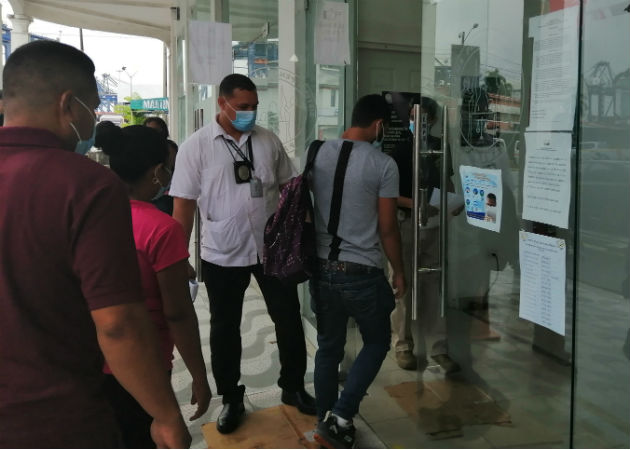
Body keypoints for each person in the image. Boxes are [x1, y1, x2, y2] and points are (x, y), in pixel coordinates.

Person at [0, 41, 190, 448]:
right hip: (57, 419)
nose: (94, 121)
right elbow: (118, 324)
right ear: (69, 104)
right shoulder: (84, 185)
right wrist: (166, 415)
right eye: (94, 105)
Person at [170, 73, 316, 434]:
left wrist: (297, 230)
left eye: (254, 107)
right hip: (221, 251)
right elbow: (184, 204)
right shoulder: (197, 146)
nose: (250, 113)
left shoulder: (267, 141)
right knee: (224, 327)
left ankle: (293, 387)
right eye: (243, 107)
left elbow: (289, 185)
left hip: (271, 249)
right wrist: (178, 257)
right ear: (222, 103)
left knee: (288, 317)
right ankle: (232, 399)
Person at [96, 123, 212, 447]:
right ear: (158, 172)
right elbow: (178, 315)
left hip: (90, 360)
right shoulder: (161, 230)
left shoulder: (89, 215)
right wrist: (200, 377)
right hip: (143, 366)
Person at [309, 94, 406, 449]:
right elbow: (388, 228)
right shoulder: (383, 165)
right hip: (361, 271)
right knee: (378, 340)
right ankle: (342, 414)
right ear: (379, 125)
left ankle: (325, 420)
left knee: (328, 348)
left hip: (321, 268)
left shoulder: (317, 152)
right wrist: (399, 271)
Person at [389, 96, 460, 374]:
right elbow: (390, 195)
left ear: (433, 120)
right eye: (416, 117)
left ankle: (438, 349)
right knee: (401, 285)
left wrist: (452, 203)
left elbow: (448, 180)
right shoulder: (398, 150)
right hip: (405, 224)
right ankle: (402, 345)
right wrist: (418, 204)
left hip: (434, 224)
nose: (421, 123)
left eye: (428, 118)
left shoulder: (441, 148)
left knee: (434, 285)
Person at [152, 139, 178, 215]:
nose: (171, 157)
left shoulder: (178, 173)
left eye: (173, 154)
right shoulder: (156, 171)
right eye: (168, 154)